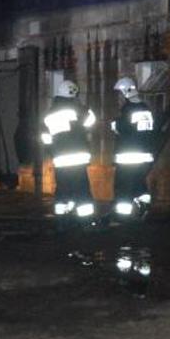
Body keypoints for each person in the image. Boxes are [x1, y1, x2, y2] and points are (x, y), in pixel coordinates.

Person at [41, 77, 96, 227]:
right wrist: (84, 108)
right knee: (82, 189)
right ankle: (85, 221)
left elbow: (46, 139)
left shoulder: (49, 115)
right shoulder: (78, 111)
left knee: (63, 188)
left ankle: (62, 220)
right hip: (79, 157)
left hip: (61, 159)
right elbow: (91, 121)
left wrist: (52, 152)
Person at [108, 76, 157, 221]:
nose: (120, 96)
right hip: (145, 156)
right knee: (138, 182)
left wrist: (115, 125)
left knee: (123, 186)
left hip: (129, 156)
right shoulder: (145, 108)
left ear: (126, 91)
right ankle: (144, 205)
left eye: (121, 93)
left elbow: (123, 128)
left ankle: (122, 215)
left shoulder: (128, 109)